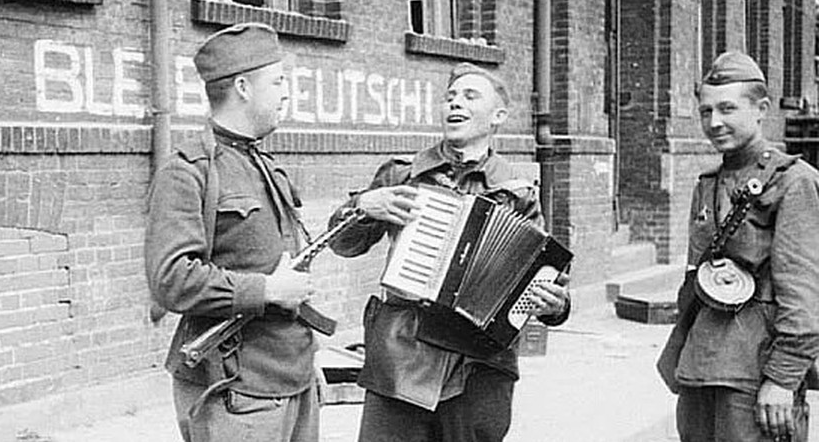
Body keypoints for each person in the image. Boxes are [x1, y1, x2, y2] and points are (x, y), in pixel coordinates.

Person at [326, 62, 571, 442]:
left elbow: (543, 277)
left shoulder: (518, 193)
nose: (455, 103)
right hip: (401, 360)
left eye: (470, 96)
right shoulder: (403, 176)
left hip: (479, 370)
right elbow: (344, 244)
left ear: (498, 117)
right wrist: (363, 205)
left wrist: (556, 305)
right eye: (450, 97)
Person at [145, 22, 322, 442]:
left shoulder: (266, 166)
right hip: (233, 388)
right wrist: (266, 291)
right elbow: (170, 280)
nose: (285, 92)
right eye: (278, 81)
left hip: (293, 375)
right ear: (243, 86)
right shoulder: (188, 173)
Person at [656, 50, 819, 442]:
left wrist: (782, 378)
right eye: (706, 111)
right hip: (699, 363)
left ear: (761, 109)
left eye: (727, 109)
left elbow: (804, 294)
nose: (714, 122)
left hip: (755, 369)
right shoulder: (708, 182)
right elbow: (694, 280)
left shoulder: (793, 181)